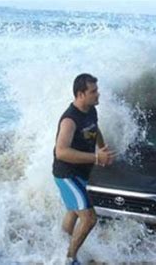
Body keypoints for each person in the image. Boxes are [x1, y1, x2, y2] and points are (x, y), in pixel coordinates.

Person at [53, 73, 115, 265]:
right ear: (81, 94)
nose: (98, 94)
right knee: (88, 218)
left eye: (97, 90)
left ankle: (59, 244)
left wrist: (102, 147)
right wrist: (97, 157)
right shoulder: (69, 120)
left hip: (81, 172)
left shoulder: (90, 110)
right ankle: (70, 258)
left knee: (73, 210)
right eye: (93, 91)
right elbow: (61, 152)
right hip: (67, 174)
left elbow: (94, 129)